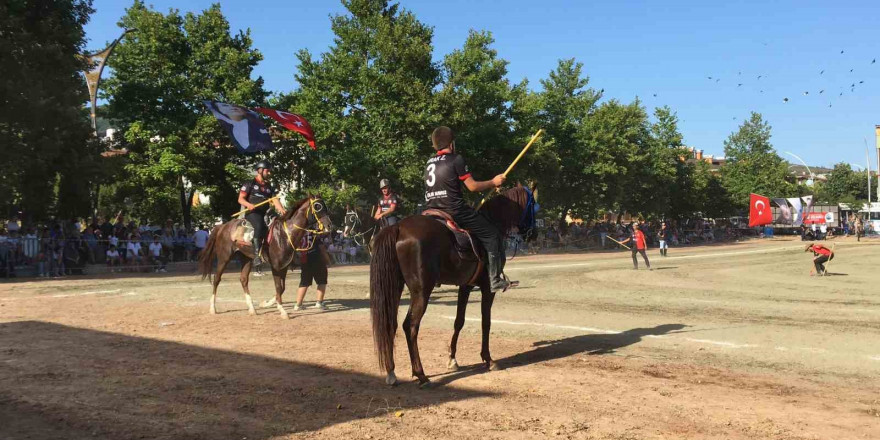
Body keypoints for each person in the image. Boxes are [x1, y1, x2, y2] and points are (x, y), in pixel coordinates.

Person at [424, 126, 514, 292]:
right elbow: (472, 186)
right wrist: (493, 182)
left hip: (431, 210)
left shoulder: (429, 162)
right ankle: (494, 279)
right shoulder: (456, 159)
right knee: (492, 234)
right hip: (454, 210)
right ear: (451, 143)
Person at [237, 160, 286, 266]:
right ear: (260, 170)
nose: (269, 173)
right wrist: (248, 205)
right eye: (267, 171)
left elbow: (275, 200)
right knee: (259, 226)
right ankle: (256, 256)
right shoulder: (249, 183)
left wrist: (282, 210)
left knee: (280, 225)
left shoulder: (269, 186)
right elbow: (240, 199)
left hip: (267, 213)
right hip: (253, 213)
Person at [293, 232, 328, 311]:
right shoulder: (314, 234)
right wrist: (327, 260)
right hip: (317, 258)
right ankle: (319, 302)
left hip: (305, 259)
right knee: (322, 281)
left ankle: (298, 304)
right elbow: (321, 248)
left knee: (304, 282)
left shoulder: (300, 234)